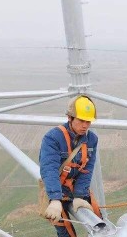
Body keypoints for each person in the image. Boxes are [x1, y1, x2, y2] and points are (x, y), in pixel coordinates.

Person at [40, 95, 101, 237]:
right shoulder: (53, 138)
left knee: (99, 222)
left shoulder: (91, 139)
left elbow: (87, 170)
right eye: (81, 121)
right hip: (56, 187)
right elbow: (49, 169)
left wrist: (80, 195)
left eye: (88, 121)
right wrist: (55, 199)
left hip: (75, 187)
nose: (85, 125)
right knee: (65, 229)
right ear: (70, 118)